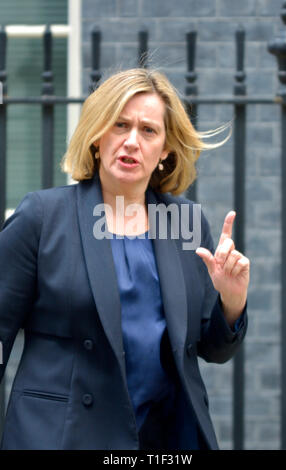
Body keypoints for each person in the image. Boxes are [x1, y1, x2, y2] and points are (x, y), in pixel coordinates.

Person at [0, 68, 249, 450]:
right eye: (120, 125)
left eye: (148, 130)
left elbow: (212, 349)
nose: (132, 141)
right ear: (98, 137)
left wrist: (231, 301)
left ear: (165, 149)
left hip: (166, 440)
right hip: (63, 436)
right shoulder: (43, 216)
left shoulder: (182, 222)